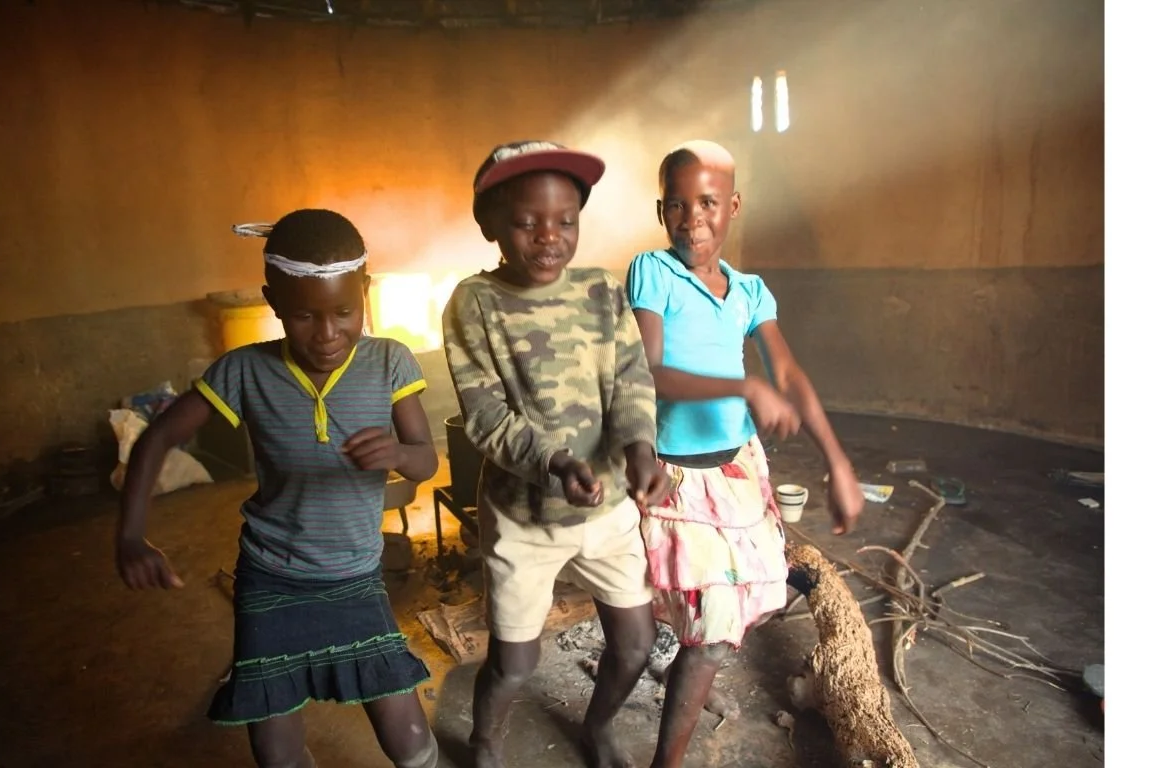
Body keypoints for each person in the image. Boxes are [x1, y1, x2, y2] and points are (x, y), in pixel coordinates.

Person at [115, 209, 441, 768]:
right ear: (273, 302)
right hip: (271, 579)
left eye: (344, 311)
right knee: (276, 750)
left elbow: (426, 462)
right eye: (303, 316)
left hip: (356, 578)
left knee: (410, 739)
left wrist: (397, 454)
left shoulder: (389, 361)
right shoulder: (243, 371)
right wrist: (131, 536)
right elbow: (156, 439)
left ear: (365, 292)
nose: (327, 332)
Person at [625, 140, 866, 768]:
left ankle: (676, 668)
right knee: (708, 637)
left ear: (733, 207)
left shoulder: (750, 291)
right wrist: (743, 386)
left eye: (708, 203)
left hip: (736, 471)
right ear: (660, 210)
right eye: (677, 204)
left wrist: (836, 462)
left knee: (732, 615)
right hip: (675, 476)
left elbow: (788, 376)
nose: (692, 218)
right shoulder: (651, 271)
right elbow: (650, 369)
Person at [442, 140, 670, 768]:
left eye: (565, 221)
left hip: (608, 510)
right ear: (488, 223)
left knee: (635, 644)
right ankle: (486, 740)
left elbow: (631, 377)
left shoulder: (601, 291)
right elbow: (485, 416)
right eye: (526, 221)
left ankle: (597, 728)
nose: (549, 237)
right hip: (523, 518)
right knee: (515, 664)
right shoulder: (476, 304)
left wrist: (641, 447)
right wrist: (555, 464)